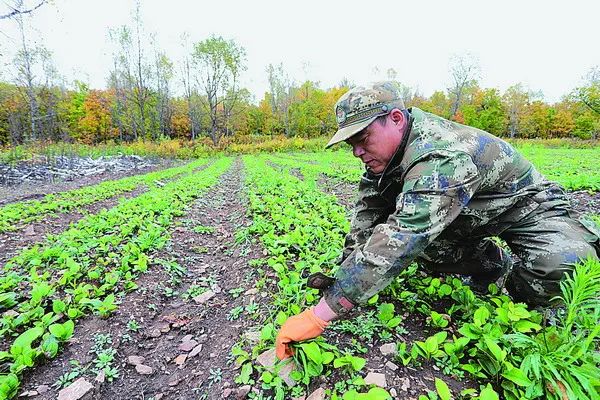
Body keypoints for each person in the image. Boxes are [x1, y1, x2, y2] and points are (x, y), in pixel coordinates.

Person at [275, 81, 600, 360]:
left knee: (564, 267)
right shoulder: (382, 162)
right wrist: (342, 275)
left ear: (396, 119)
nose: (357, 151)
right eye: (351, 144)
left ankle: (524, 279)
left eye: (363, 138)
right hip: (466, 211)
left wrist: (320, 316)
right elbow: (367, 218)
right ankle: (494, 267)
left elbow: (403, 236)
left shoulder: (439, 154)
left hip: (525, 207)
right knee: (430, 251)